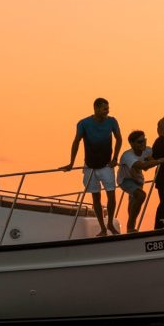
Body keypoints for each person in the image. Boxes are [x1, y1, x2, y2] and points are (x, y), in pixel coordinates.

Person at [62, 97, 122, 236]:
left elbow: (119, 138)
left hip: (106, 165)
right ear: (96, 108)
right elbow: (76, 141)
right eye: (104, 108)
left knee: (111, 195)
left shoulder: (112, 121)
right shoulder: (83, 123)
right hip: (90, 165)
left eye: (108, 108)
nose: (107, 111)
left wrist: (115, 158)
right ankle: (102, 228)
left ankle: (110, 224)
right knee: (96, 197)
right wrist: (71, 163)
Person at [117, 130, 158, 233]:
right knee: (140, 196)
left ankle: (130, 228)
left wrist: (153, 160)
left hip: (138, 180)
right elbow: (142, 166)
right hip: (125, 180)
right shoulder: (127, 155)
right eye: (140, 142)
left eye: (144, 140)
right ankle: (130, 227)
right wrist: (158, 161)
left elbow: (153, 160)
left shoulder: (148, 150)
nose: (143, 143)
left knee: (133, 203)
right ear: (132, 143)